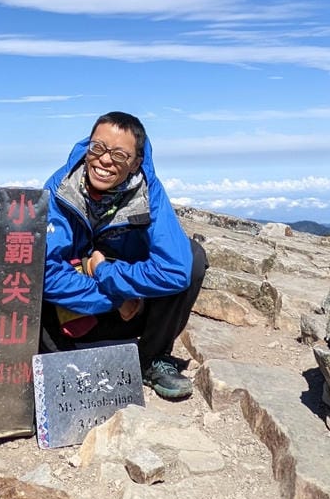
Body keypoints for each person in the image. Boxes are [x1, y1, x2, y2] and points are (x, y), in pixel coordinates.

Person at [40, 110, 208, 400]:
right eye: (98, 148)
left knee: (193, 258)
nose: (105, 160)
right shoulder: (61, 188)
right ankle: (59, 361)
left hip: (131, 302)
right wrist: (117, 298)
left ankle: (152, 358)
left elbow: (176, 270)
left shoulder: (148, 192)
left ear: (136, 164)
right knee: (26, 265)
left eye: (119, 155)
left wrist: (106, 273)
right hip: (79, 304)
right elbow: (46, 273)